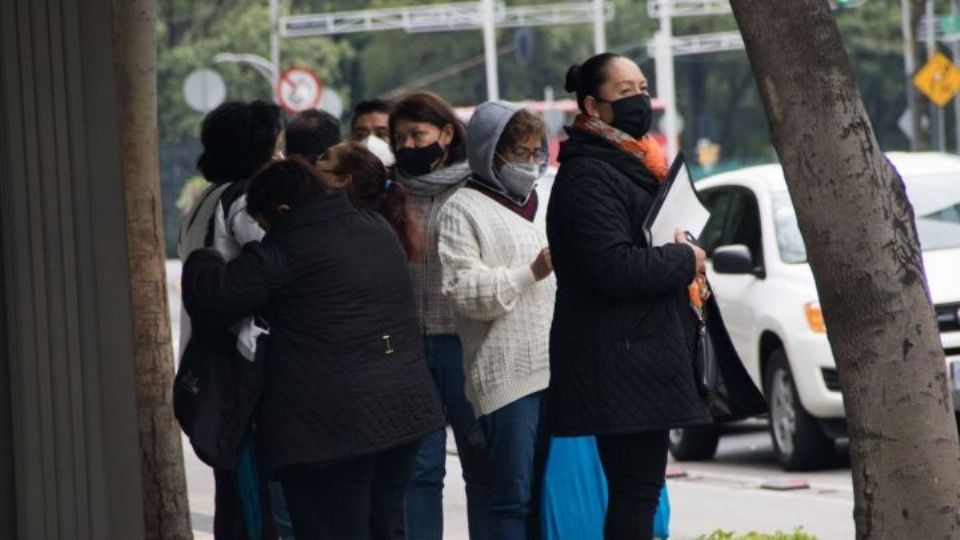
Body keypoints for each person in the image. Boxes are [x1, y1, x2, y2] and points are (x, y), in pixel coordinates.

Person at [182, 159, 445, 539]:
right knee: (383, 527)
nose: (263, 232)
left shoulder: (287, 248)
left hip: (331, 433)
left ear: (284, 211)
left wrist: (203, 258)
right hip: (403, 415)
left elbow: (217, 294)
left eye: (263, 223)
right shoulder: (376, 226)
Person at [545, 52, 712, 540]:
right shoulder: (589, 176)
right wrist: (685, 260)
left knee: (639, 493)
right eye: (625, 92)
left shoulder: (635, 163)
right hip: (619, 359)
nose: (640, 100)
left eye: (642, 87)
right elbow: (611, 266)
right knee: (635, 495)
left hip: (638, 355)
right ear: (594, 107)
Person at [436, 101, 555, 539]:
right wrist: (530, 273)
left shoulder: (542, 202)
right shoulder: (461, 210)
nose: (529, 163)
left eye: (535, 152)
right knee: (511, 499)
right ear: (490, 153)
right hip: (506, 381)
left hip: (556, 371)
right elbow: (463, 291)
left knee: (549, 493)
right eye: (519, 153)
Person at [178, 99, 285, 540]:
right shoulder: (244, 201)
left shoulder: (205, 199)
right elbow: (274, 264)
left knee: (236, 498)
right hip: (241, 366)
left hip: (208, 362)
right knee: (252, 500)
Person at [390, 92, 484, 540]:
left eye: (418, 134)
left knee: (479, 462)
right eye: (400, 138)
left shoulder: (476, 188)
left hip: (464, 344)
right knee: (419, 470)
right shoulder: (390, 194)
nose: (408, 145)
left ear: (446, 134)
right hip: (409, 349)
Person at [311, 142, 423, 261]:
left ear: (341, 180)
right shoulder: (377, 236)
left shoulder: (329, 239)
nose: (313, 165)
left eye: (324, 158)